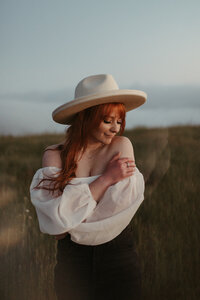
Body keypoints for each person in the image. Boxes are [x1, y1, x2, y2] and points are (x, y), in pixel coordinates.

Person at [30, 74, 147, 300]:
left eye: (119, 121)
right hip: (72, 263)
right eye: (107, 120)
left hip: (118, 258)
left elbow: (114, 217)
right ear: (86, 117)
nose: (116, 129)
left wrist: (68, 212)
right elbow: (58, 229)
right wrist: (105, 180)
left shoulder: (121, 146)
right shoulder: (54, 155)